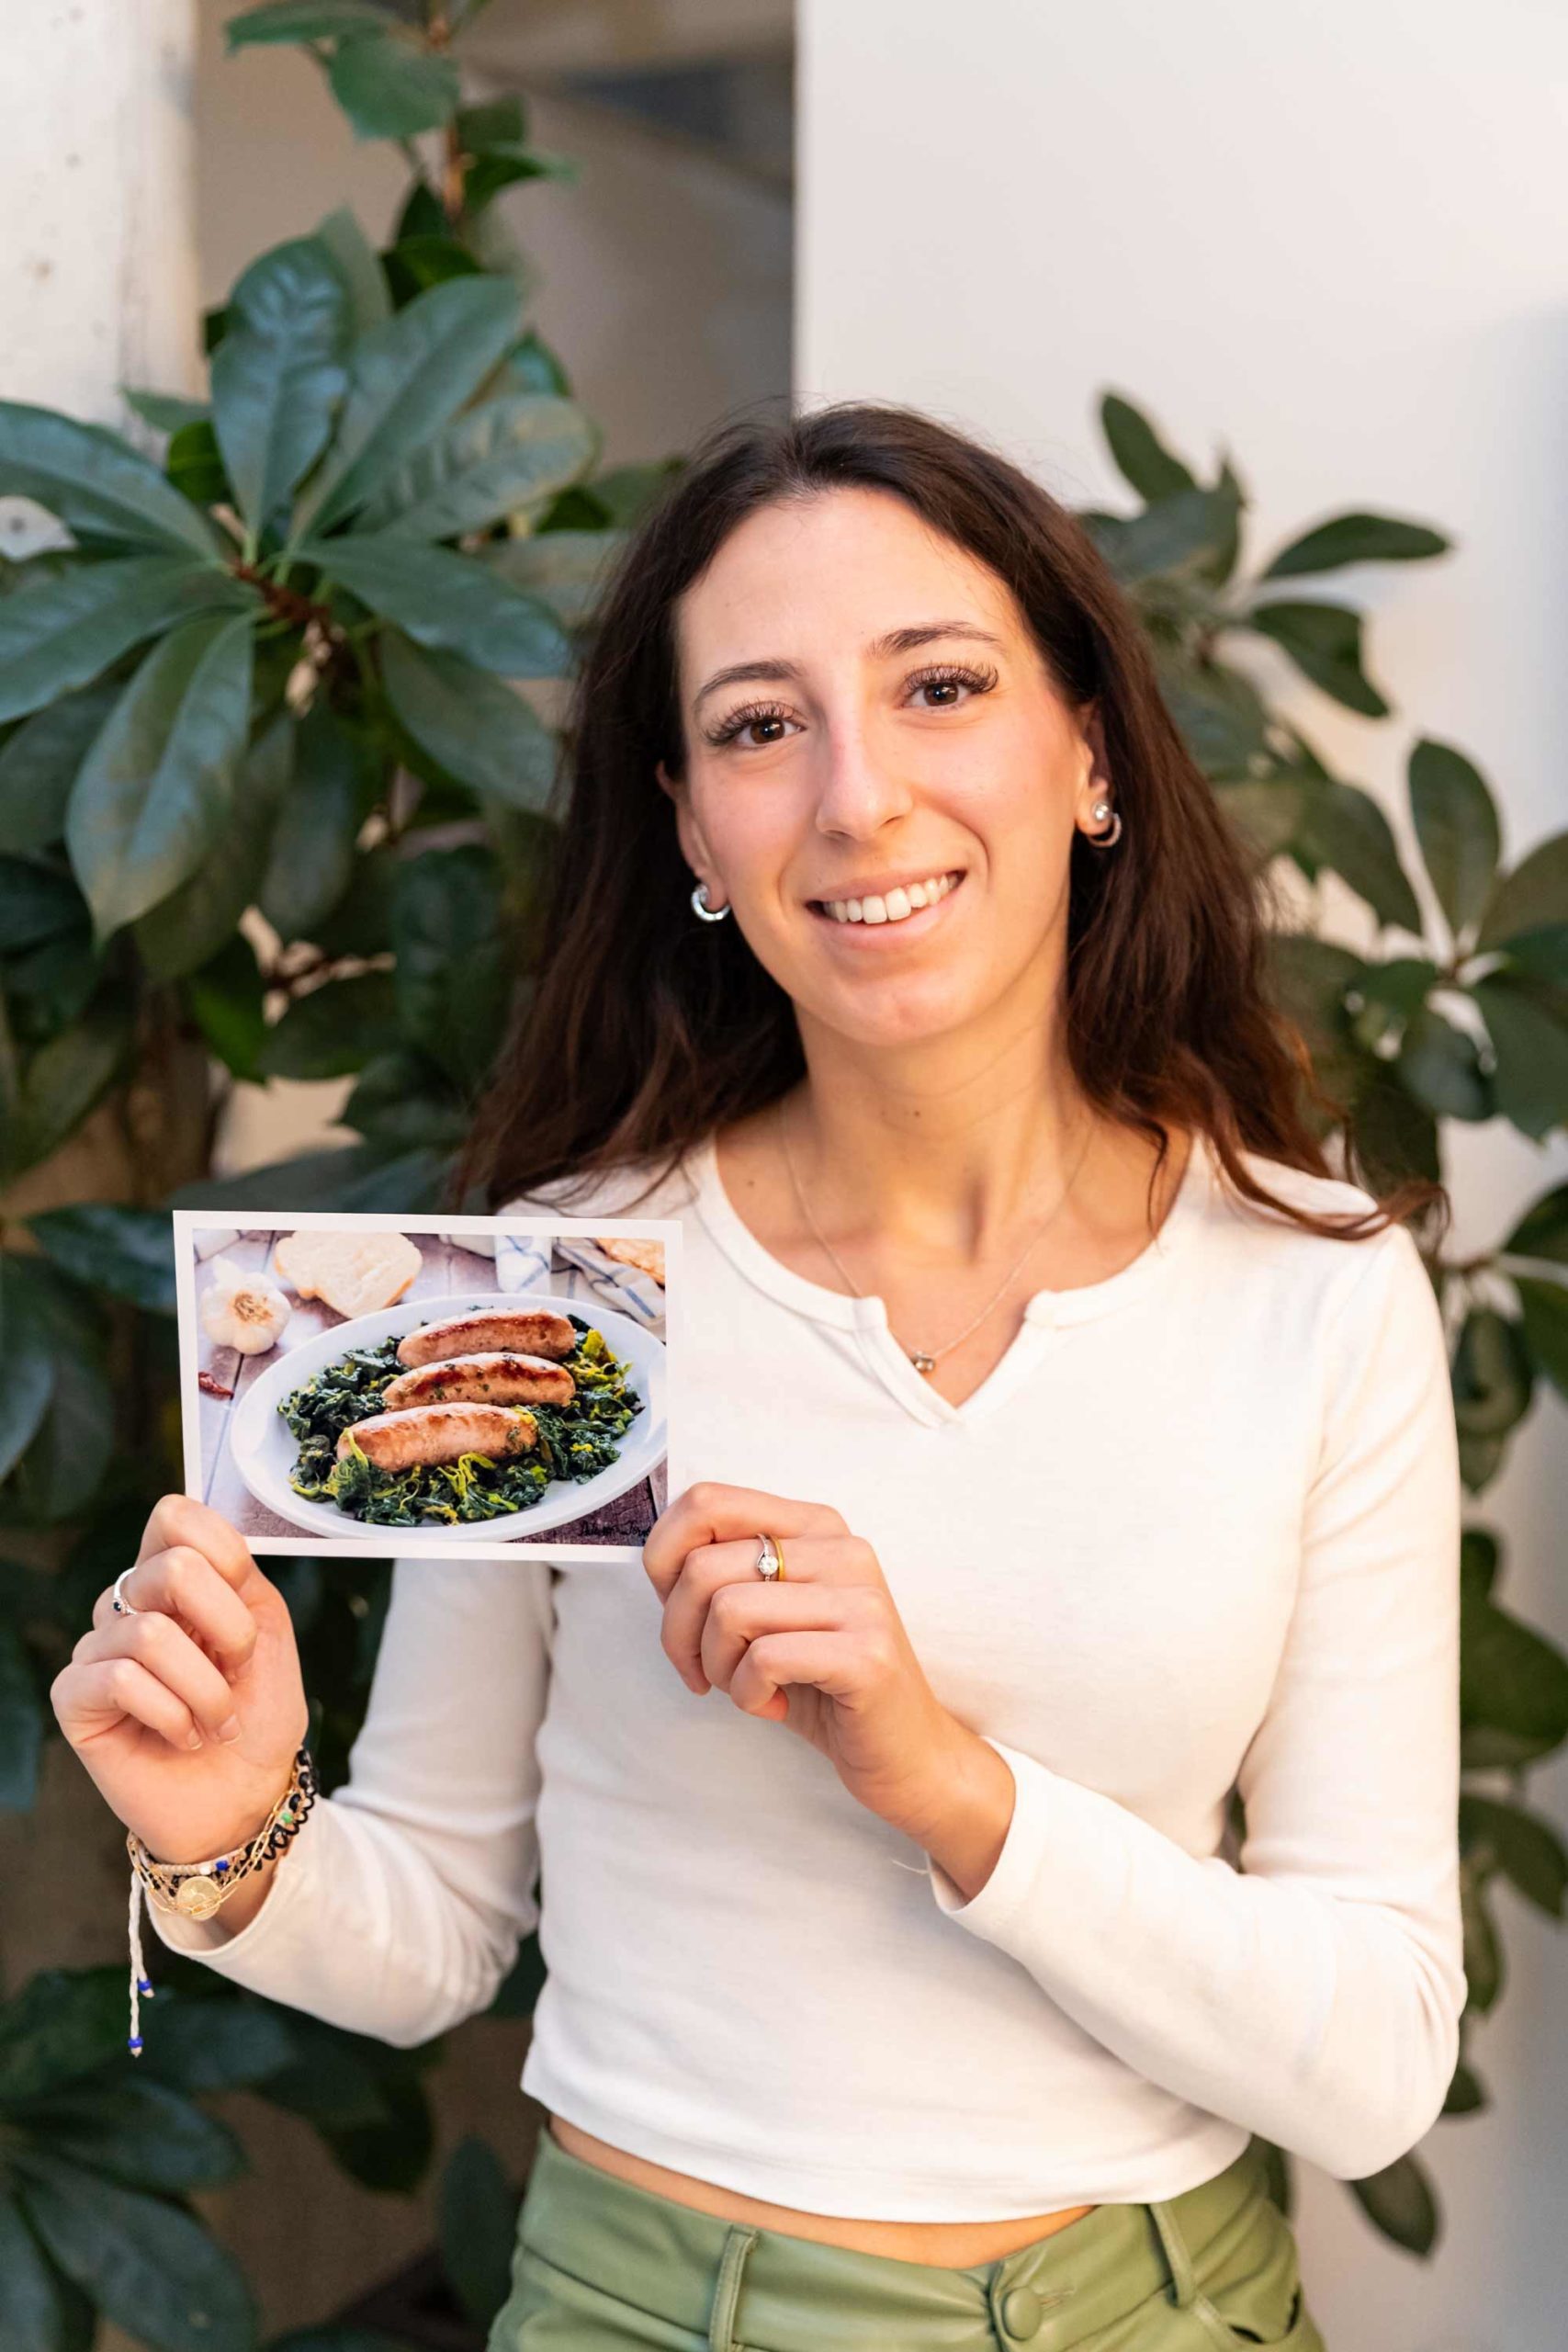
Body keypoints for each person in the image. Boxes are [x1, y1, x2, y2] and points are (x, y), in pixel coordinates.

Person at [52, 402, 1465, 2352]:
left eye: (938, 687)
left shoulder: (1314, 1292)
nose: (857, 797)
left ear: (1090, 752)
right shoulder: (562, 1298)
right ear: (692, 825)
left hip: (1159, 2306)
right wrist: (230, 1832)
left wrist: (946, 1783)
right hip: (652, 2309)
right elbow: (434, 1935)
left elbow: (1376, 2064)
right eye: (758, 725)